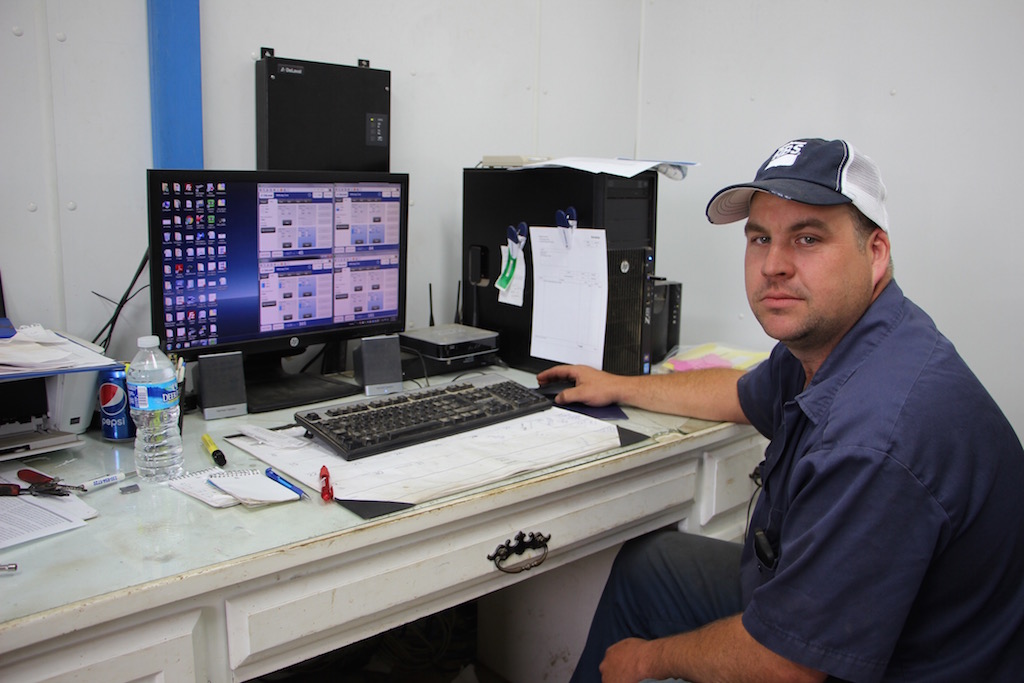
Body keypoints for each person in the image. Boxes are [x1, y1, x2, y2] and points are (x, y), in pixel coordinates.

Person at [537, 138, 1024, 683]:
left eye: (808, 238)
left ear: (876, 252)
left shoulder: (876, 439)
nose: (773, 265)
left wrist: (646, 659)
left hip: (904, 664)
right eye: (760, 238)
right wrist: (619, 386)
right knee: (651, 565)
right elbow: (743, 392)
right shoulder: (847, 340)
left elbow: (787, 665)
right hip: (861, 619)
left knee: (643, 657)